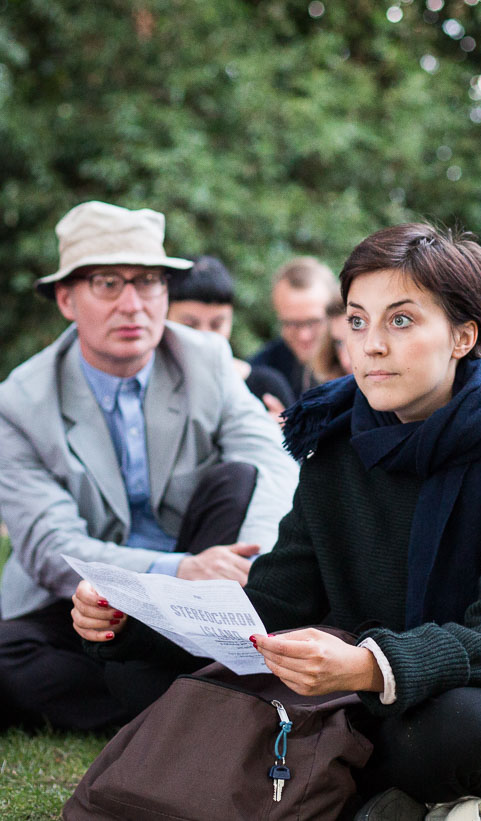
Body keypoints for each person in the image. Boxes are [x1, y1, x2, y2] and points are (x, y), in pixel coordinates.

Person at [72, 221, 481, 816]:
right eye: (356, 319)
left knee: (447, 725)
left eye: (401, 320)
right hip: (379, 698)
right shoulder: (338, 442)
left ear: (462, 335)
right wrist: (130, 620)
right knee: (146, 680)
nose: (371, 344)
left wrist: (368, 665)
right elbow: (275, 602)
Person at [0, 201, 299, 731]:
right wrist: (182, 570)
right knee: (9, 661)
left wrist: (246, 570)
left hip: (201, 587)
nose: (133, 305)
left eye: (149, 282)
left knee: (240, 479)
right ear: (67, 298)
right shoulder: (20, 402)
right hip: (86, 601)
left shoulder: (205, 358)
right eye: (109, 284)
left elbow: (272, 460)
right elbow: (53, 549)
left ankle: (166, 685)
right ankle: (190, 692)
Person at [167, 255, 295, 418]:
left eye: (216, 325)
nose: (205, 336)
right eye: (190, 325)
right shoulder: (145, 386)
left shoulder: (266, 386)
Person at [250, 256, 340, 400]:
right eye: (291, 324)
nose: (304, 335)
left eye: (313, 322)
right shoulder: (264, 368)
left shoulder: (353, 362)